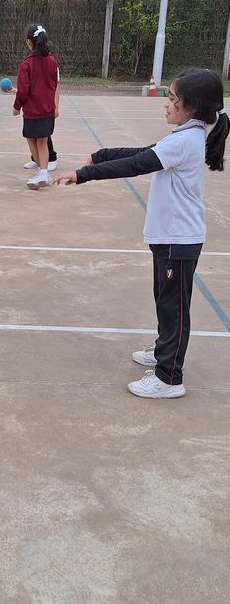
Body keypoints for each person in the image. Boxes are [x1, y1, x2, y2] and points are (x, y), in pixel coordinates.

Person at [53, 68, 229, 398]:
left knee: (174, 309)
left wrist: (83, 174)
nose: (166, 103)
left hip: (179, 239)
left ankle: (169, 377)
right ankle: (164, 351)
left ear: (191, 107)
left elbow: (137, 165)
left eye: (172, 99)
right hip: (169, 237)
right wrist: (102, 155)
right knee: (165, 301)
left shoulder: (185, 140)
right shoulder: (183, 135)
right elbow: (143, 153)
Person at [13, 24, 60, 189]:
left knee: (31, 140)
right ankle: (43, 173)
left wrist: (17, 106)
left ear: (29, 42)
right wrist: (54, 106)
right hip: (47, 110)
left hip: (32, 111)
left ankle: (41, 171)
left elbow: (23, 90)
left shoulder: (26, 64)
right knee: (43, 142)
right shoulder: (52, 61)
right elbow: (54, 84)